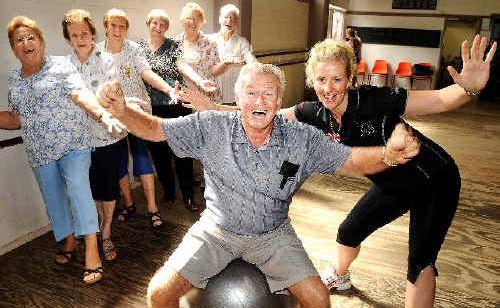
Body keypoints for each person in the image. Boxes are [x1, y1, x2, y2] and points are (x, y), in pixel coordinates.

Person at [97, 61, 419, 308]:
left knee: (319, 299)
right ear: (237, 97)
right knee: (159, 293)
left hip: (272, 235)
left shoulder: (302, 139)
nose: (259, 101)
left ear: (279, 100)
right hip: (216, 231)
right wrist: (122, 112)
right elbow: (156, 129)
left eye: (268, 94)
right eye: (251, 93)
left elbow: (350, 159)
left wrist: (389, 155)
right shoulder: (211, 126)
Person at [278, 37, 496, 308]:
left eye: (336, 79)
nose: (328, 88)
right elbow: (266, 116)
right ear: (312, 80)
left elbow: (438, 99)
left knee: (420, 261)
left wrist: (468, 90)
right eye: (321, 80)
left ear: (349, 79)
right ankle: (340, 275)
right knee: (348, 231)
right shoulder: (313, 113)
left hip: (434, 181)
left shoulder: (374, 100)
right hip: (391, 180)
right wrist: (213, 111)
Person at [1, 16, 125, 284]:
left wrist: (103, 116)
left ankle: (92, 248)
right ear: (13, 48)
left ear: (40, 41)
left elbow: (80, 95)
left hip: (73, 144)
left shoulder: (60, 65)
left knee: (79, 188)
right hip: (39, 150)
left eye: (30, 37)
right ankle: (69, 239)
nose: (26, 43)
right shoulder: (15, 79)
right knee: (53, 198)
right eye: (19, 40)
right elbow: (16, 119)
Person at [62, 9, 127, 260]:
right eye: (74, 35)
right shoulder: (64, 66)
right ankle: (93, 229)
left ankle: (107, 233)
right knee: (87, 191)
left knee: (108, 189)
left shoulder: (107, 60)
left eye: (85, 33)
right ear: (68, 38)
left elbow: (110, 95)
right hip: (77, 141)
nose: (80, 38)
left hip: (107, 136)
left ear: (92, 34)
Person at [98, 8, 173, 227]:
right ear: (105, 26)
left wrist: (168, 90)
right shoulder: (97, 53)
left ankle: (152, 208)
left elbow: (146, 73)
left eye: (123, 26)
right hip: (114, 115)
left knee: (141, 157)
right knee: (119, 161)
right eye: (113, 25)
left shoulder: (134, 49)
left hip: (138, 111)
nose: (118, 30)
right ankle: (129, 204)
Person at [138, 9, 203, 211]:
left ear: (167, 28)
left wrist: (200, 80)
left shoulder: (173, 45)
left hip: (176, 107)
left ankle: (188, 195)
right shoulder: (138, 48)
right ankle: (168, 190)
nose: (158, 27)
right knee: (159, 154)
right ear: (148, 24)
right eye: (155, 23)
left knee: (181, 153)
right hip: (152, 109)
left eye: (163, 24)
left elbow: (182, 66)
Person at [176, 2, 225, 101]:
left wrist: (225, 64)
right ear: (182, 21)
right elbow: (180, 65)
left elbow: (214, 71)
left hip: (207, 95)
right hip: (184, 96)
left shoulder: (210, 43)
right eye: (189, 18)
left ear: (202, 22)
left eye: (198, 19)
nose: (194, 22)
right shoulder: (174, 43)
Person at [208, 4, 255, 104]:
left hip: (233, 92)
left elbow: (251, 61)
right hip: (212, 91)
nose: (229, 21)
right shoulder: (209, 40)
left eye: (233, 19)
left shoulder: (242, 42)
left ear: (237, 23)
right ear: (220, 19)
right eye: (226, 17)